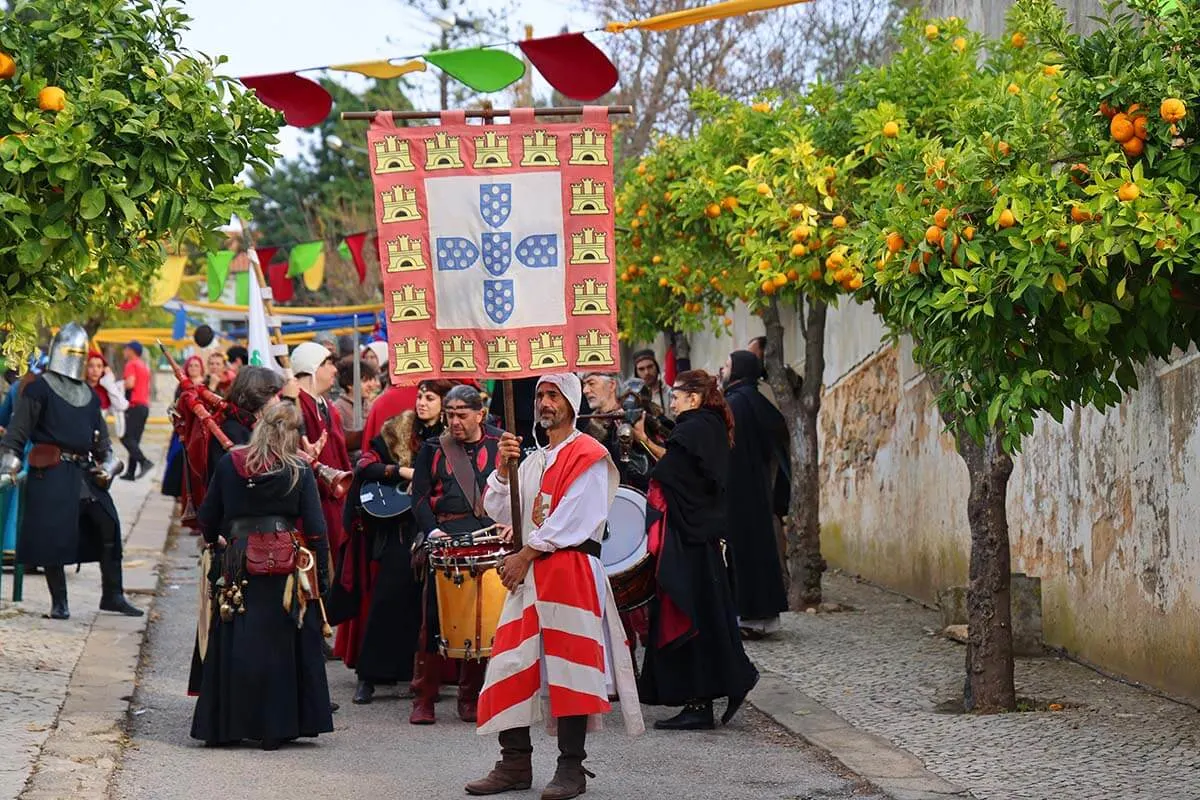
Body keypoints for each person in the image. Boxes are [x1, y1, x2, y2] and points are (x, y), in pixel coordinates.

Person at [466, 373, 642, 800]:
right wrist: (504, 471)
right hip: (529, 574)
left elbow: (573, 519)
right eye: (541, 396)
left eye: (554, 395)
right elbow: (495, 507)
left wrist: (525, 555)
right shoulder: (532, 460)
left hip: (569, 570)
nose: (545, 403)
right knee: (511, 663)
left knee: (570, 670)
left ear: (572, 402)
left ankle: (571, 769)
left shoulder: (590, 454)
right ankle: (514, 764)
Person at [190, 402, 334, 750]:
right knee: (280, 643)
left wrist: (215, 543)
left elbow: (207, 515)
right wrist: (323, 574)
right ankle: (275, 727)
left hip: (238, 560)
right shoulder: (299, 468)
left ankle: (227, 726)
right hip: (286, 565)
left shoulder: (231, 463)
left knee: (238, 638)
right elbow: (315, 529)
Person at [636, 369, 759, 730]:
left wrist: (644, 439)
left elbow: (671, 470)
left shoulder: (696, 426)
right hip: (700, 537)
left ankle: (701, 702)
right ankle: (727, 684)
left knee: (691, 615)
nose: (672, 400)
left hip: (688, 540)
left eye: (676, 395)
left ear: (694, 397)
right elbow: (686, 463)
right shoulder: (708, 424)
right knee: (708, 616)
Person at [0, 323, 142, 620]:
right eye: (73, 351)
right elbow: (18, 432)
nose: (76, 356)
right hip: (50, 471)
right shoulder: (38, 388)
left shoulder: (88, 395)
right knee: (54, 537)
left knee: (108, 524)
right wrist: (9, 463)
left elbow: (102, 442)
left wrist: (108, 465)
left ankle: (113, 595)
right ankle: (59, 602)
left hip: (84, 473)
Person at [335, 378, 452, 705]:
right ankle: (369, 677)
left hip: (438, 531)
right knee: (386, 602)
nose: (422, 403)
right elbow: (365, 465)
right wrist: (402, 472)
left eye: (430, 398)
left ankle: (425, 679)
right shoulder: (398, 429)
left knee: (429, 609)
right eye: (420, 396)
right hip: (400, 532)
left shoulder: (453, 436)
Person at [186, 366, 287, 698]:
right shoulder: (228, 431)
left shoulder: (259, 429)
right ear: (259, 396)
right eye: (275, 394)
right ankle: (235, 700)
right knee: (238, 621)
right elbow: (223, 493)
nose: (279, 400)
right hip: (238, 540)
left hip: (268, 540)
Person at [409, 383, 502, 725]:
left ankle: (470, 695)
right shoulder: (433, 448)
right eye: (450, 415)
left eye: (462, 415)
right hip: (444, 539)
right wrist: (432, 531)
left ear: (481, 414)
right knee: (433, 621)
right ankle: (424, 698)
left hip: (487, 538)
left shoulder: (500, 444)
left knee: (479, 620)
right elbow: (418, 498)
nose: (455, 422)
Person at [723, 350, 789, 638]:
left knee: (745, 554)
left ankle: (750, 617)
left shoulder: (735, 403)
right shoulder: (755, 399)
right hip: (757, 488)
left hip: (738, 492)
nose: (722, 370)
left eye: (726, 365)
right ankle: (764, 616)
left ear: (737, 369)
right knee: (759, 551)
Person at [581, 372, 654, 492]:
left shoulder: (637, 418)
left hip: (636, 498)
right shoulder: (590, 429)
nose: (585, 390)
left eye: (591, 383)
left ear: (611, 385)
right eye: (584, 385)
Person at [160, 355, 202, 501]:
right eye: (191, 366)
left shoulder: (207, 384)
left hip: (199, 430)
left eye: (197, 366)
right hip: (183, 429)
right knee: (176, 458)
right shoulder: (181, 385)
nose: (194, 368)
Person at [332, 357, 380, 459]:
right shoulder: (338, 408)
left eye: (371, 379)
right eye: (364, 380)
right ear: (349, 384)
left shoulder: (370, 405)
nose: (371, 385)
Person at [120, 340, 153, 480]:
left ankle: (144, 462)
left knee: (126, 438)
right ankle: (130, 472)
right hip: (144, 406)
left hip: (134, 406)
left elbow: (130, 383)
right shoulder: (144, 366)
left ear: (131, 351)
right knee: (134, 440)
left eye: (125, 349)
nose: (124, 352)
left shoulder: (131, 364)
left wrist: (118, 385)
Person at [86, 350, 129, 440]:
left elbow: (122, 405)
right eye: (91, 366)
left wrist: (108, 382)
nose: (95, 370)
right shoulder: (77, 387)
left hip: (99, 438)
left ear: (103, 369)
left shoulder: (106, 388)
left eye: (99, 366)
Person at [630, 349, 673, 420]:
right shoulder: (632, 398)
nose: (647, 372)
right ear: (636, 373)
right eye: (641, 369)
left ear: (656, 367)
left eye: (650, 367)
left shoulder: (670, 393)